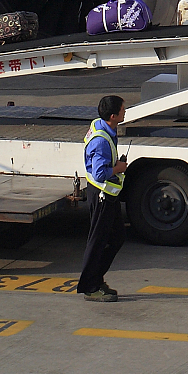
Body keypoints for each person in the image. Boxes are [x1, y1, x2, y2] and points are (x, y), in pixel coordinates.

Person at [77, 94, 127, 301]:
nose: (126, 111)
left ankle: (96, 279)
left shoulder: (102, 126)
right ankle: (91, 285)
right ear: (113, 116)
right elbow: (99, 173)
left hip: (108, 195)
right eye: (123, 109)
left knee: (116, 238)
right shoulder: (101, 141)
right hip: (101, 196)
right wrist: (118, 167)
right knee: (99, 241)